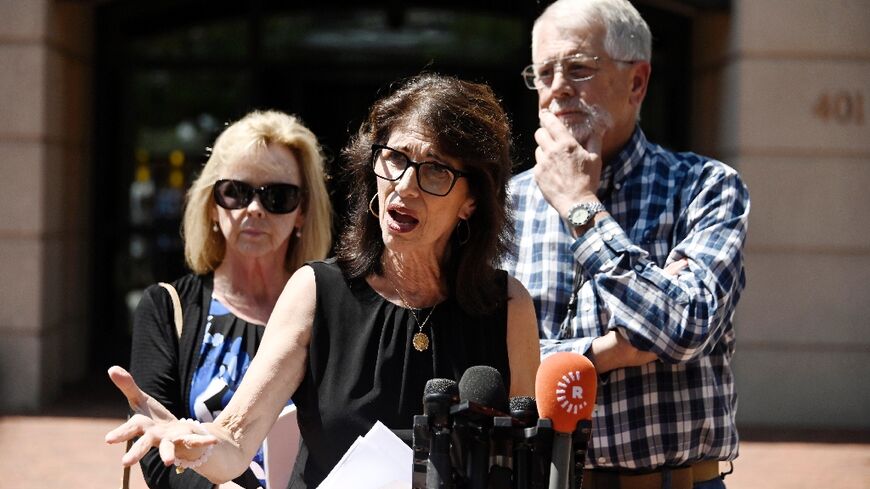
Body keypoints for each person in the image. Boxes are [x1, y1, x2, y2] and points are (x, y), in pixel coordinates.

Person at [106, 74, 541, 489]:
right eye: (395, 158)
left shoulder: (507, 306)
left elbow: (529, 464)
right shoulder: (316, 290)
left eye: (435, 171)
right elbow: (234, 443)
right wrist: (192, 445)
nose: (405, 186)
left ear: (471, 202)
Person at [503, 1, 750, 488]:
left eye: (577, 68)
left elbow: (681, 326)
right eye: (544, 72)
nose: (556, 89)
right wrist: (601, 352)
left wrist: (579, 205)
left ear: (637, 82)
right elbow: (488, 357)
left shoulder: (704, 188)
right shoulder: (504, 204)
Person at [128, 110, 333, 489]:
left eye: (278, 196)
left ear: (303, 212)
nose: (254, 209)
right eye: (235, 192)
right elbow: (160, 462)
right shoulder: (167, 307)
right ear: (211, 204)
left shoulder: (332, 311)